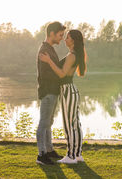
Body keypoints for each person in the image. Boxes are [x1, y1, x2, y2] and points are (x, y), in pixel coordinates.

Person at [39, 29, 87, 164]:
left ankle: (71, 156)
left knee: (69, 125)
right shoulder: (74, 54)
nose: (65, 39)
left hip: (67, 91)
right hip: (71, 91)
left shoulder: (72, 55)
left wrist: (48, 60)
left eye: (67, 37)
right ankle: (77, 154)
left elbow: (61, 74)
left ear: (73, 41)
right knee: (76, 124)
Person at [36, 21, 66, 165]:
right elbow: (46, 74)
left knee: (49, 122)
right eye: (60, 35)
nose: (61, 38)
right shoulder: (44, 50)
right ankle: (41, 155)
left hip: (53, 91)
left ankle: (49, 150)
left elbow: (57, 66)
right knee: (44, 123)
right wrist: (60, 75)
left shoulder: (50, 49)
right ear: (52, 34)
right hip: (48, 91)